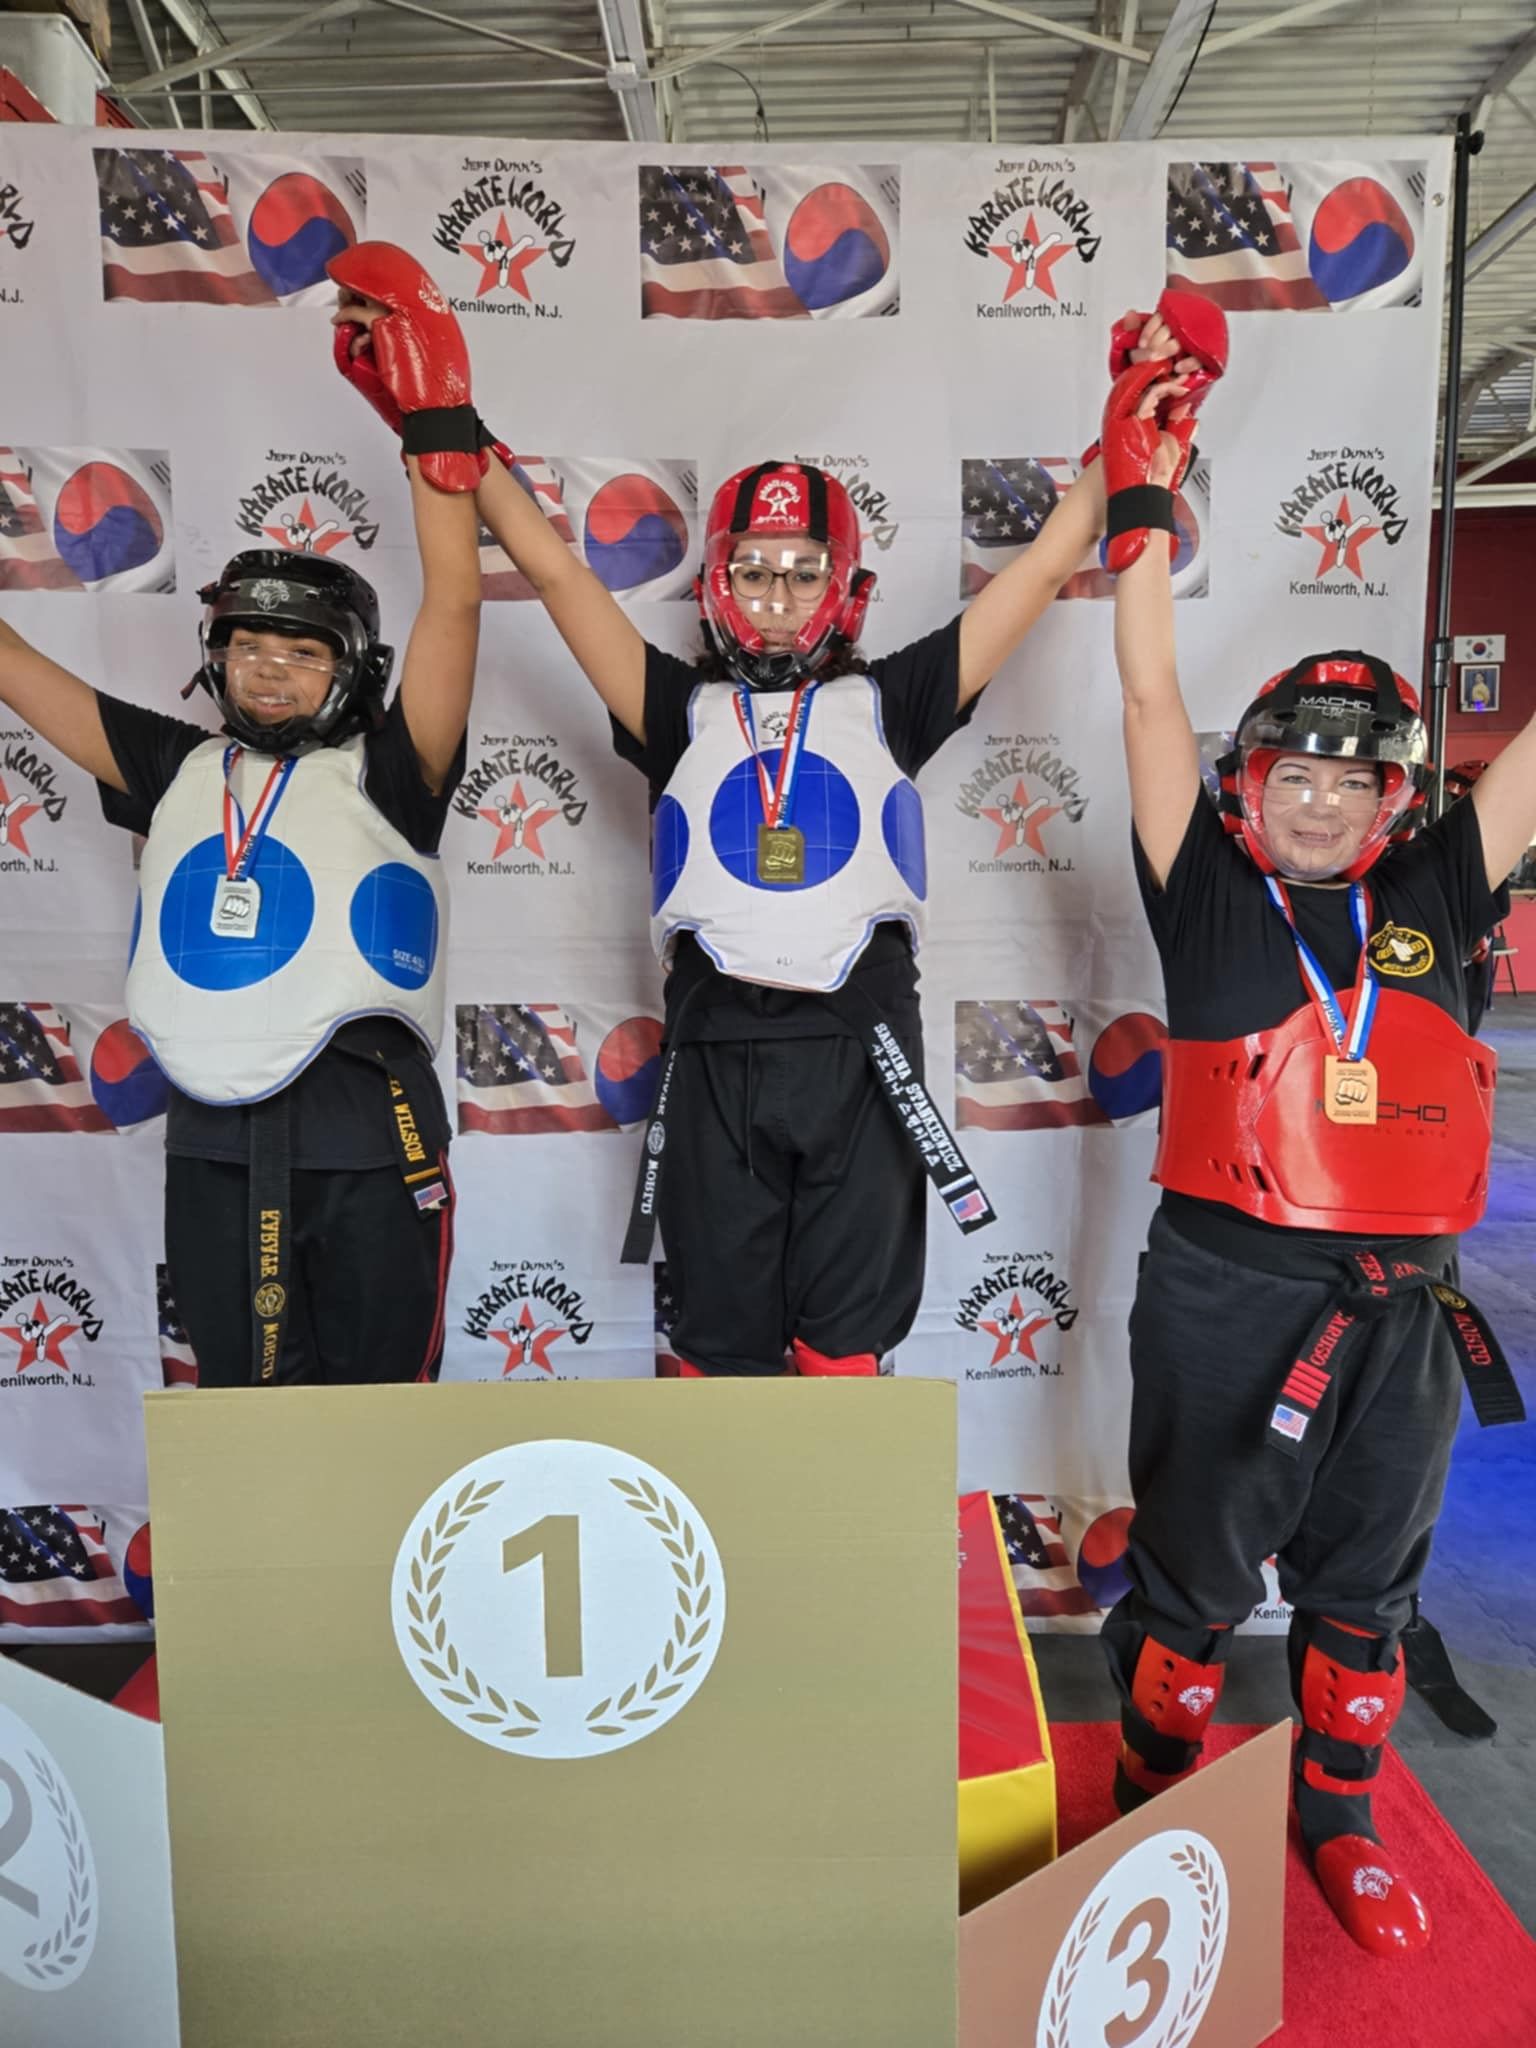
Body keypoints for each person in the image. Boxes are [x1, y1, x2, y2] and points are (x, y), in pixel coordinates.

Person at [442, 368, 1226, 1375]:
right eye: (754, 569)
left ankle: (837, 1529)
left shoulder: (891, 701)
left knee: (845, 1346)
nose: (775, 597)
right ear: (718, 583)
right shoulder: (676, 707)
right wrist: (450, 426)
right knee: (720, 1347)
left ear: (844, 583)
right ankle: (727, 1533)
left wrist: (1116, 451)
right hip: (713, 1052)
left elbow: (1028, 582)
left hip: (863, 1053)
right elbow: (559, 577)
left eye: (802, 571)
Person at [1099, 306, 1533, 1955]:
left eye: (1360, 782)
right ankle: (1153, 1795)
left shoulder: (1438, 890)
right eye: (1298, 772)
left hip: (1402, 1307)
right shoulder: (1210, 896)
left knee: (1368, 1576)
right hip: (1220, 1292)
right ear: (1252, 781)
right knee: (1196, 1578)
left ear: (1396, 803)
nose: (1325, 800)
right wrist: (1141, 492)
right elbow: (1147, 695)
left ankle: (1336, 1814)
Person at [0, 244, 482, 1387]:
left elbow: (455, 599)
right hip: (217, 1144)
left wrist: (440, 426)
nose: (269, 670)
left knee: (381, 1433)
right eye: (246, 646)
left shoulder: (397, 763)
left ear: (350, 668)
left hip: (375, 1140)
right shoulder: (175, 763)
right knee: (244, 1437)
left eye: (301, 651)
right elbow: (11, 662)